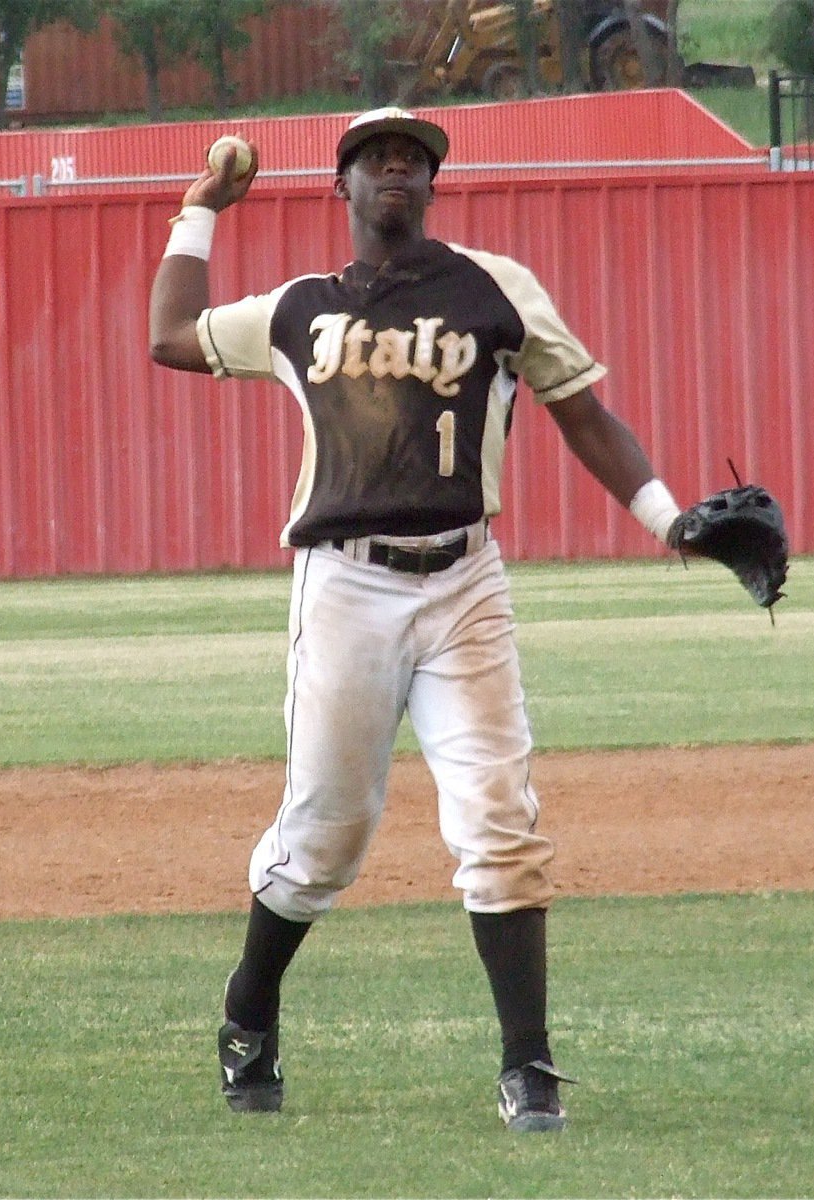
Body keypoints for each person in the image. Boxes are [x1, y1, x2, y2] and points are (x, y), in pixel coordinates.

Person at [149, 107, 682, 1133]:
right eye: (374, 158)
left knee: (498, 821)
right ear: (339, 188)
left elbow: (582, 414)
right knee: (323, 840)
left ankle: (527, 1066)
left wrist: (670, 519)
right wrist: (197, 211)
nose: (397, 168)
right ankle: (248, 1009)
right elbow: (171, 337)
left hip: (462, 580)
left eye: (413, 159)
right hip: (344, 586)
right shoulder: (302, 308)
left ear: (432, 187)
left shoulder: (492, 288)